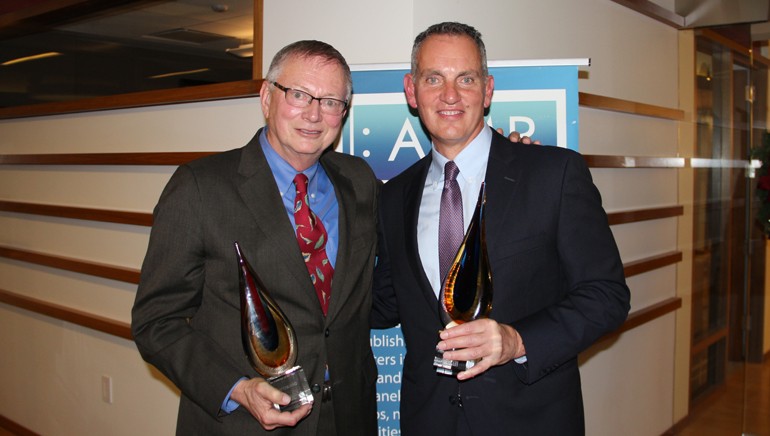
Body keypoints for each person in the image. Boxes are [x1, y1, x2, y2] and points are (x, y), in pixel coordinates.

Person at [371, 22, 631, 435]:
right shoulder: (392, 197)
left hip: (530, 420)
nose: (450, 95)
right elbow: (386, 302)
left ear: (488, 90)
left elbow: (607, 296)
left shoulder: (553, 175)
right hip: (430, 421)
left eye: (466, 79)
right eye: (433, 78)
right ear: (411, 90)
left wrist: (516, 340)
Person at [131, 40, 378, 435]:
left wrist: (507, 155)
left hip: (349, 417)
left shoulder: (358, 181)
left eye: (331, 101)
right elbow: (156, 321)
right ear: (266, 97)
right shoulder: (199, 187)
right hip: (244, 424)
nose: (314, 114)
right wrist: (237, 389)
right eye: (299, 95)